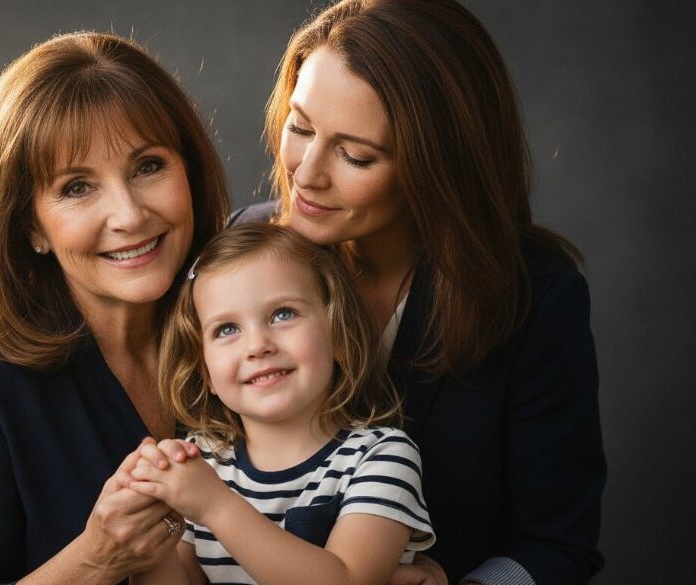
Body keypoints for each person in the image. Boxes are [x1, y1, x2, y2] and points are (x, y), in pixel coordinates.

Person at [230, 1, 606, 584]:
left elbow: (556, 544)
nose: (306, 173)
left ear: (440, 163)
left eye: (356, 155)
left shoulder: (535, 296)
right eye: (300, 127)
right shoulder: (243, 246)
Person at [0, 32, 229, 585]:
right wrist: (95, 559)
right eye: (77, 187)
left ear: (189, 173)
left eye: (148, 166)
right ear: (30, 226)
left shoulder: (244, 331)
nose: (127, 214)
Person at [125, 223, 435, 585]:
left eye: (283, 314)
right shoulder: (202, 463)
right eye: (227, 329)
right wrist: (146, 540)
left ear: (338, 334)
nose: (257, 345)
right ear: (205, 370)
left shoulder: (381, 458)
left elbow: (348, 580)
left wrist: (216, 506)